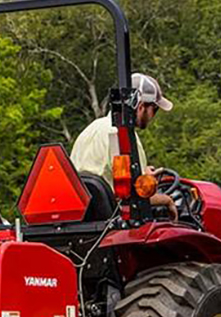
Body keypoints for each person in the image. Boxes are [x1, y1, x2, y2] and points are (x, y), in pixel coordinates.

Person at [71, 72, 177, 220]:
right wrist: (167, 201)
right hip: (115, 219)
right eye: (155, 109)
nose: (154, 115)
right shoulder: (124, 137)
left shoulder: (90, 130)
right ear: (141, 107)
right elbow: (135, 197)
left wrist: (142, 174)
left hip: (82, 217)